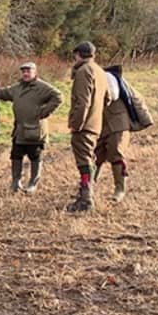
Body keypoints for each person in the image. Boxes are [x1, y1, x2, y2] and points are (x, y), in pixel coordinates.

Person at [0, 62, 63, 194]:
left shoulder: (42, 87)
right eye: (24, 71)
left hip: (34, 130)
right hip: (19, 130)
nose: (25, 73)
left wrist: (44, 112)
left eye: (28, 71)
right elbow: (3, 93)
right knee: (16, 155)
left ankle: (32, 184)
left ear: (34, 72)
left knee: (35, 156)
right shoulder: (17, 87)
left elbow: (58, 97)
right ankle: (16, 183)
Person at [95, 66, 152, 203]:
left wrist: (145, 119)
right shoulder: (89, 79)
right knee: (95, 155)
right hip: (100, 123)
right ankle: (87, 187)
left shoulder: (112, 80)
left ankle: (119, 189)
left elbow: (134, 98)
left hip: (118, 122)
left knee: (116, 153)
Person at [66, 41, 111, 212]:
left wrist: (76, 124)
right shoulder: (100, 71)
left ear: (77, 54)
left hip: (85, 125)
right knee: (89, 159)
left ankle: (86, 199)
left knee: (84, 161)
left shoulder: (83, 71)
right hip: (96, 123)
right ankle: (85, 194)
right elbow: (108, 98)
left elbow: (82, 101)